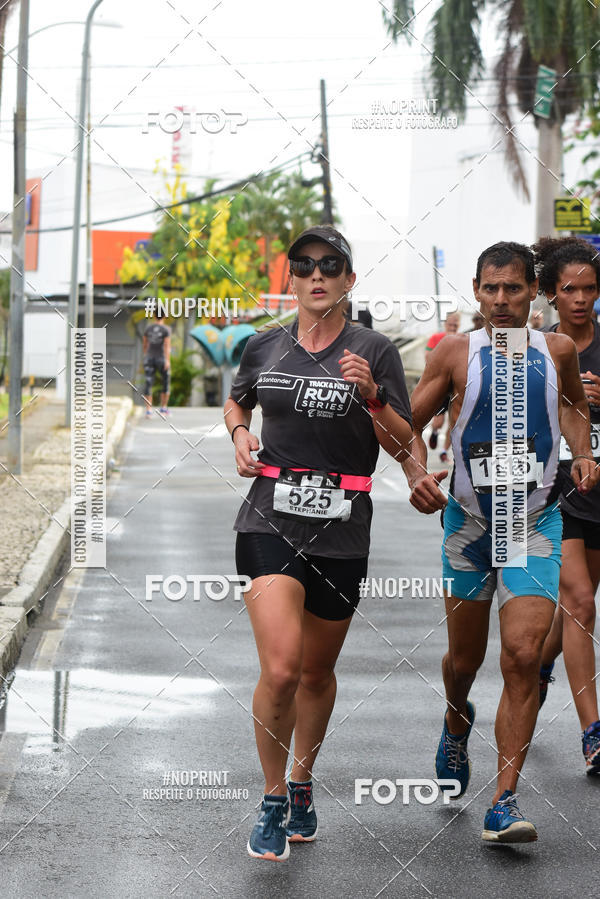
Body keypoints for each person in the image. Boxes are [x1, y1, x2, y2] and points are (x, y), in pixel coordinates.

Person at [224, 225, 413, 861]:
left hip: (342, 528)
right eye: (303, 265)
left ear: (349, 279)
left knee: (315, 671)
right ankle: (273, 796)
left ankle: (302, 778)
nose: (316, 275)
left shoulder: (374, 350)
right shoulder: (264, 344)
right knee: (281, 668)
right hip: (268, 519)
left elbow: (402, 442)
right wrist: (240, 435)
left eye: (330, 265)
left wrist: (372, 397)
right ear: (292, 278)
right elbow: (236, 402)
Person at [401, 241, 598, 843]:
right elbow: (408, 423)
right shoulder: (455, 353)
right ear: (476, 291)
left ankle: (504, 800)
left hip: (534, 523)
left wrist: (582, 452)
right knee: (465, 662)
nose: (502, 300)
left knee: (521, 655)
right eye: (491, 288)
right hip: (468, 527)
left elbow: (573, 407)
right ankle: (455, 719)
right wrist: (416, 473)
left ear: (534, 291)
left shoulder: (557, 351)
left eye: (514, 288)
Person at [533, 237, 600, 775]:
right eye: (570, 289)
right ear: (552, 294)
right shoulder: (537, 348)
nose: (580, 299)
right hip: (556, 490)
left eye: (590, 289)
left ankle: (536, 667)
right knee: (580, 602)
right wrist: (566, 399)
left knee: (576, 609)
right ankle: (593, 733)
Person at [426, 311, 460, 463]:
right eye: (450, 324)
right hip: (440, 386)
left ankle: (444, 451)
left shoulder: (462, 339)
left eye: (455, 325)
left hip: (456, 387)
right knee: (439, 422)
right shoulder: (436, 338)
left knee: (454, 422)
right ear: (445, 324)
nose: (452, 327)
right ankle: (434, 431)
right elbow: (428, 358)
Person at [143, 310, 171, 416]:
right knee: (165, 382)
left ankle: (148, 410)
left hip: (149, 358)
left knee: (148, 383)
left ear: (154, 315)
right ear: (164, 316)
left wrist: (146, 355)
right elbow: (167, 346)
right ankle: (163, 408)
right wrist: (167, 360)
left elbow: (145, 344)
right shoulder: (166, 329)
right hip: (161, 359)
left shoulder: (148, 329)